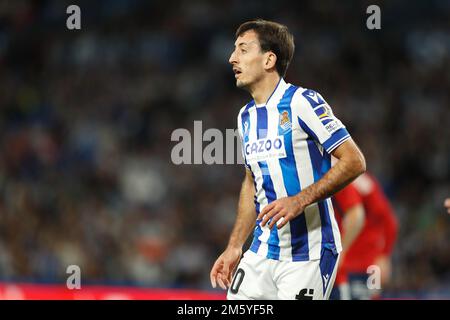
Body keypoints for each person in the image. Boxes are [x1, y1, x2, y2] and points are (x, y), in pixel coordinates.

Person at [209, 19, 366, 300]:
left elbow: (354, 161)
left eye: (243, 50)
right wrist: (235, 245)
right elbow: (251, 184)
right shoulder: (245, 117)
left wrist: (300, 199)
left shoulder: (302, 102)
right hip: (261, 252)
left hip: (308, 254)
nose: (232, 58)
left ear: (269, 59)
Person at [333, 172, 398, 300]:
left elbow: (389, 220)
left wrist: (384, 255)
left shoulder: (357, 181)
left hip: (367, 264)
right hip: (347, 263)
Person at [329, 182, 366, 300]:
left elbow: (357, 215)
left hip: (330, 275)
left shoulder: (328, 172)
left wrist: (341, 250)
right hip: (293, 271)